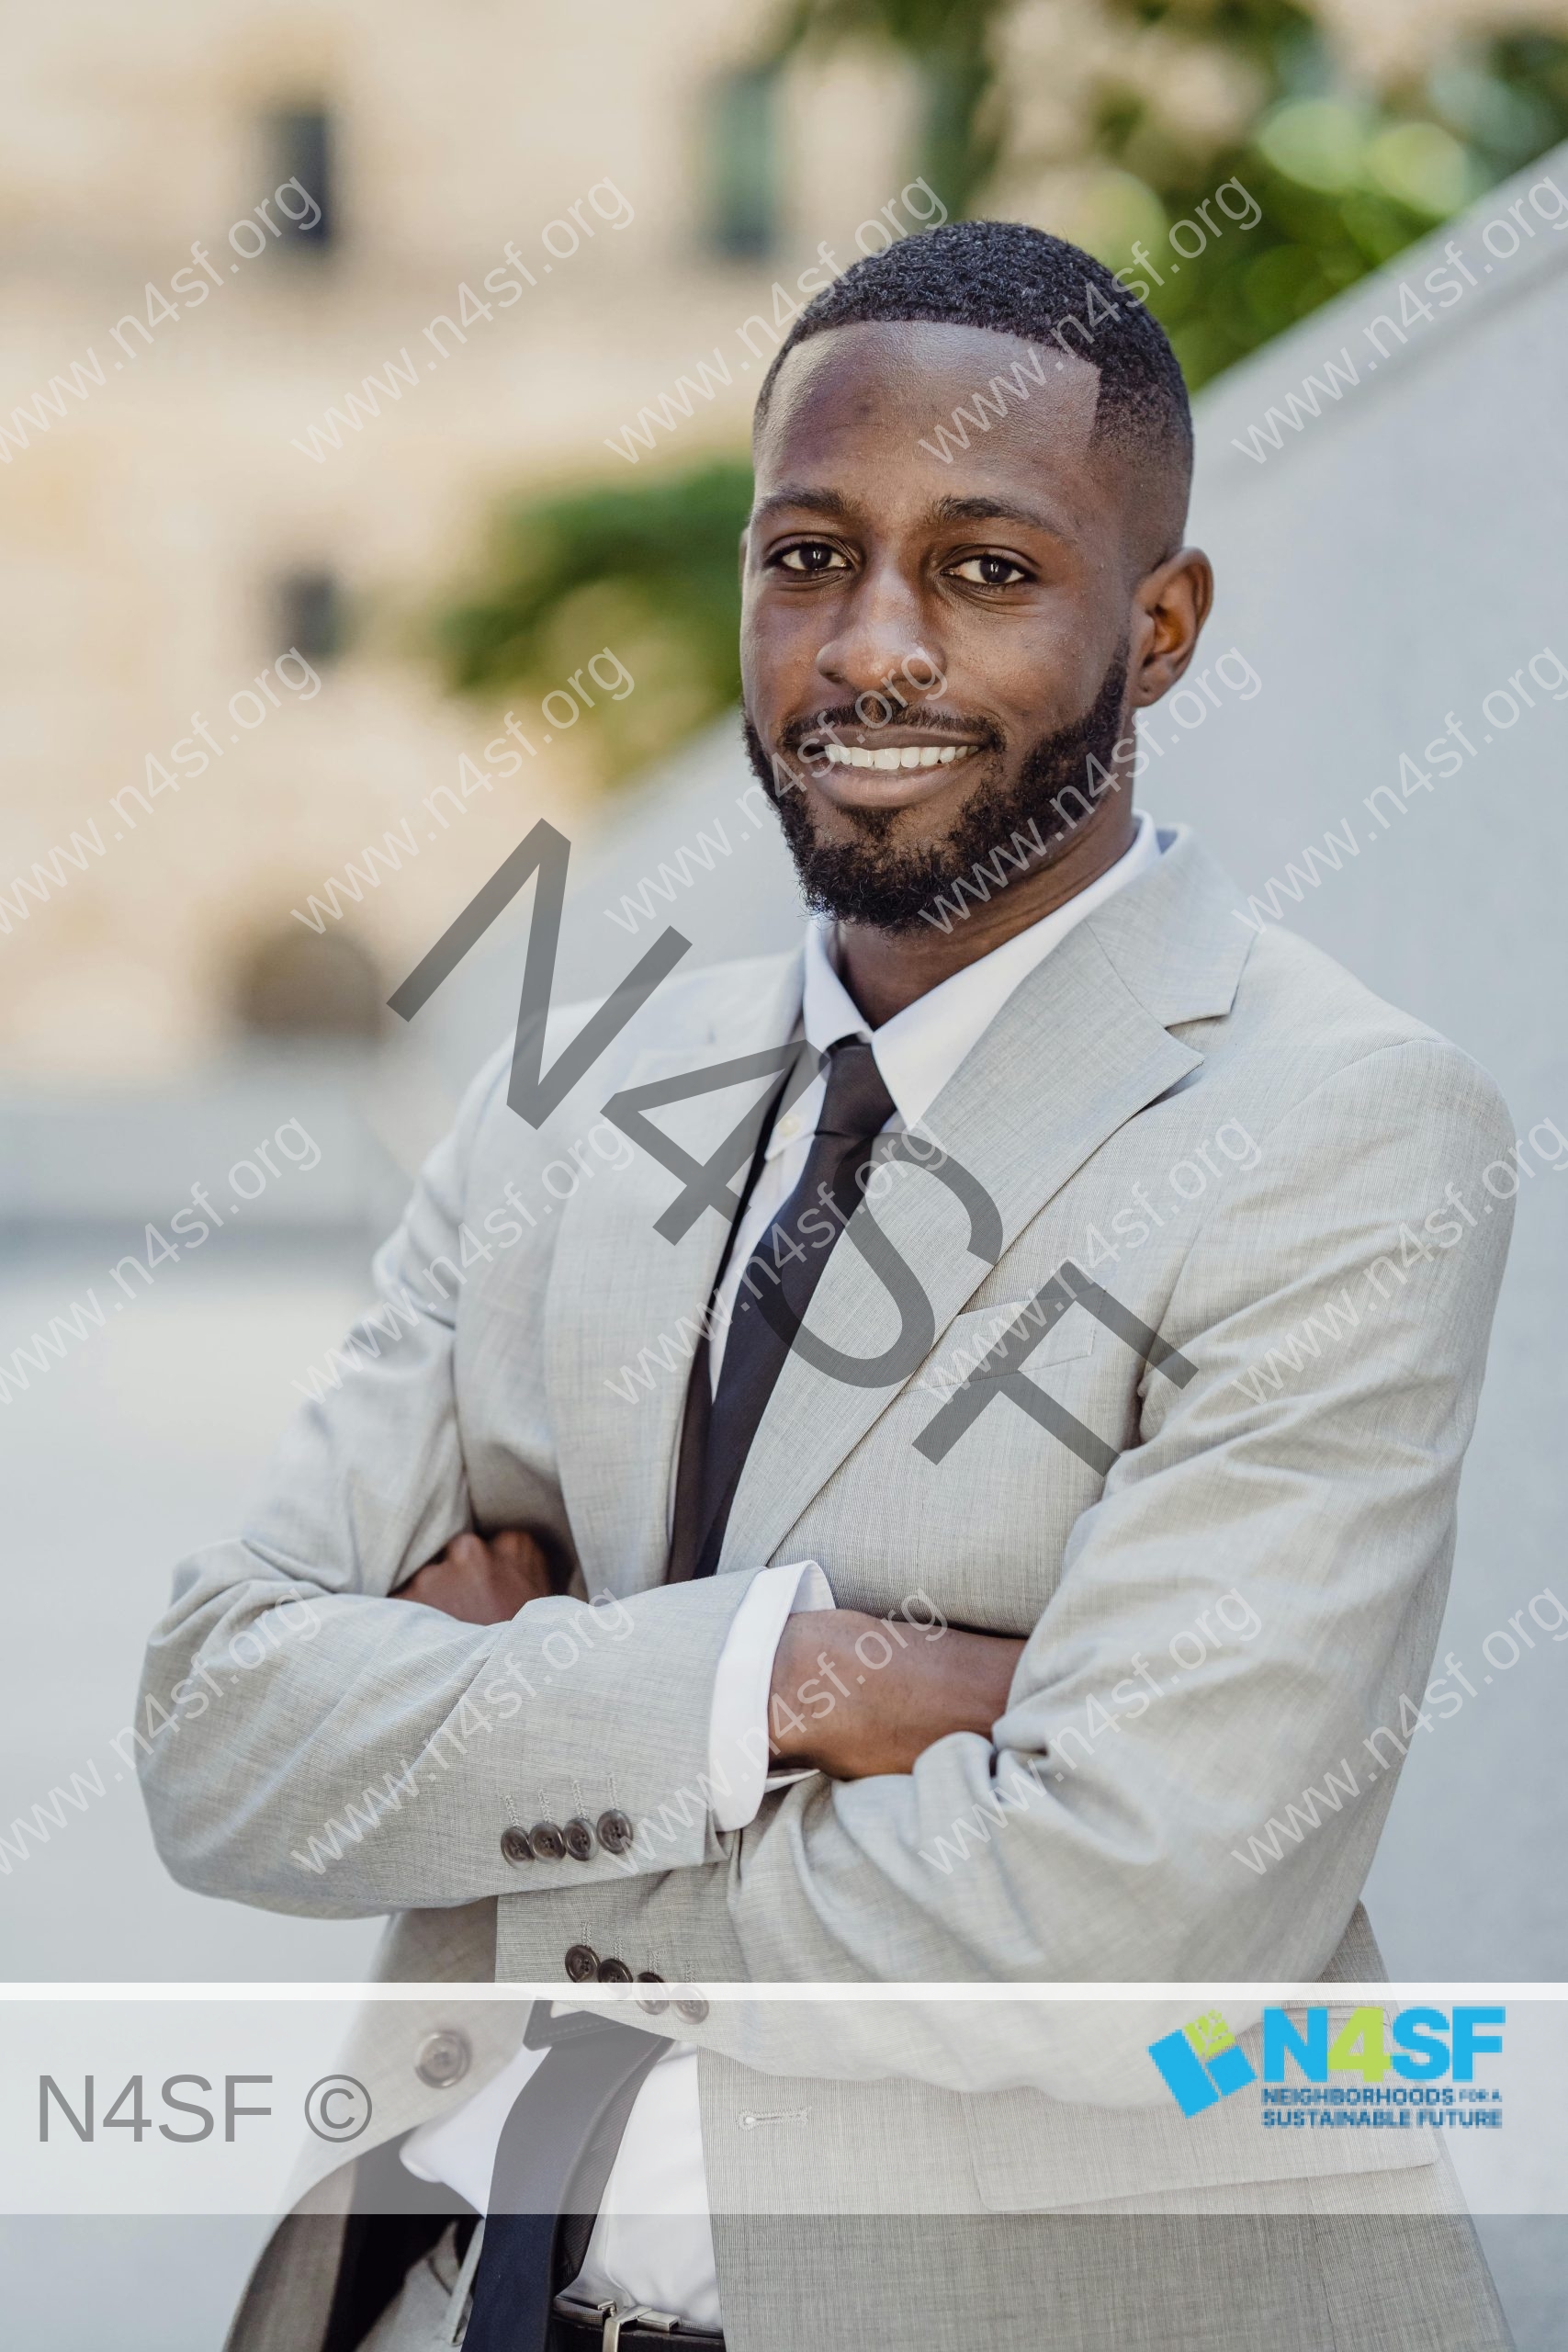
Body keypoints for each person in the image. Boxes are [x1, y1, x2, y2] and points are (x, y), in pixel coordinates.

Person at [140, 220, 1517, 2351]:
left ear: (1153, 627)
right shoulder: (573, 1097)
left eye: (982, 568)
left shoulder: (1340, 1131)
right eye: (806, 557)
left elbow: (1114, 1927)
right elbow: (218, 1731)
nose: (871, 646)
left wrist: (503, 1753)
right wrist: (783, 1685)